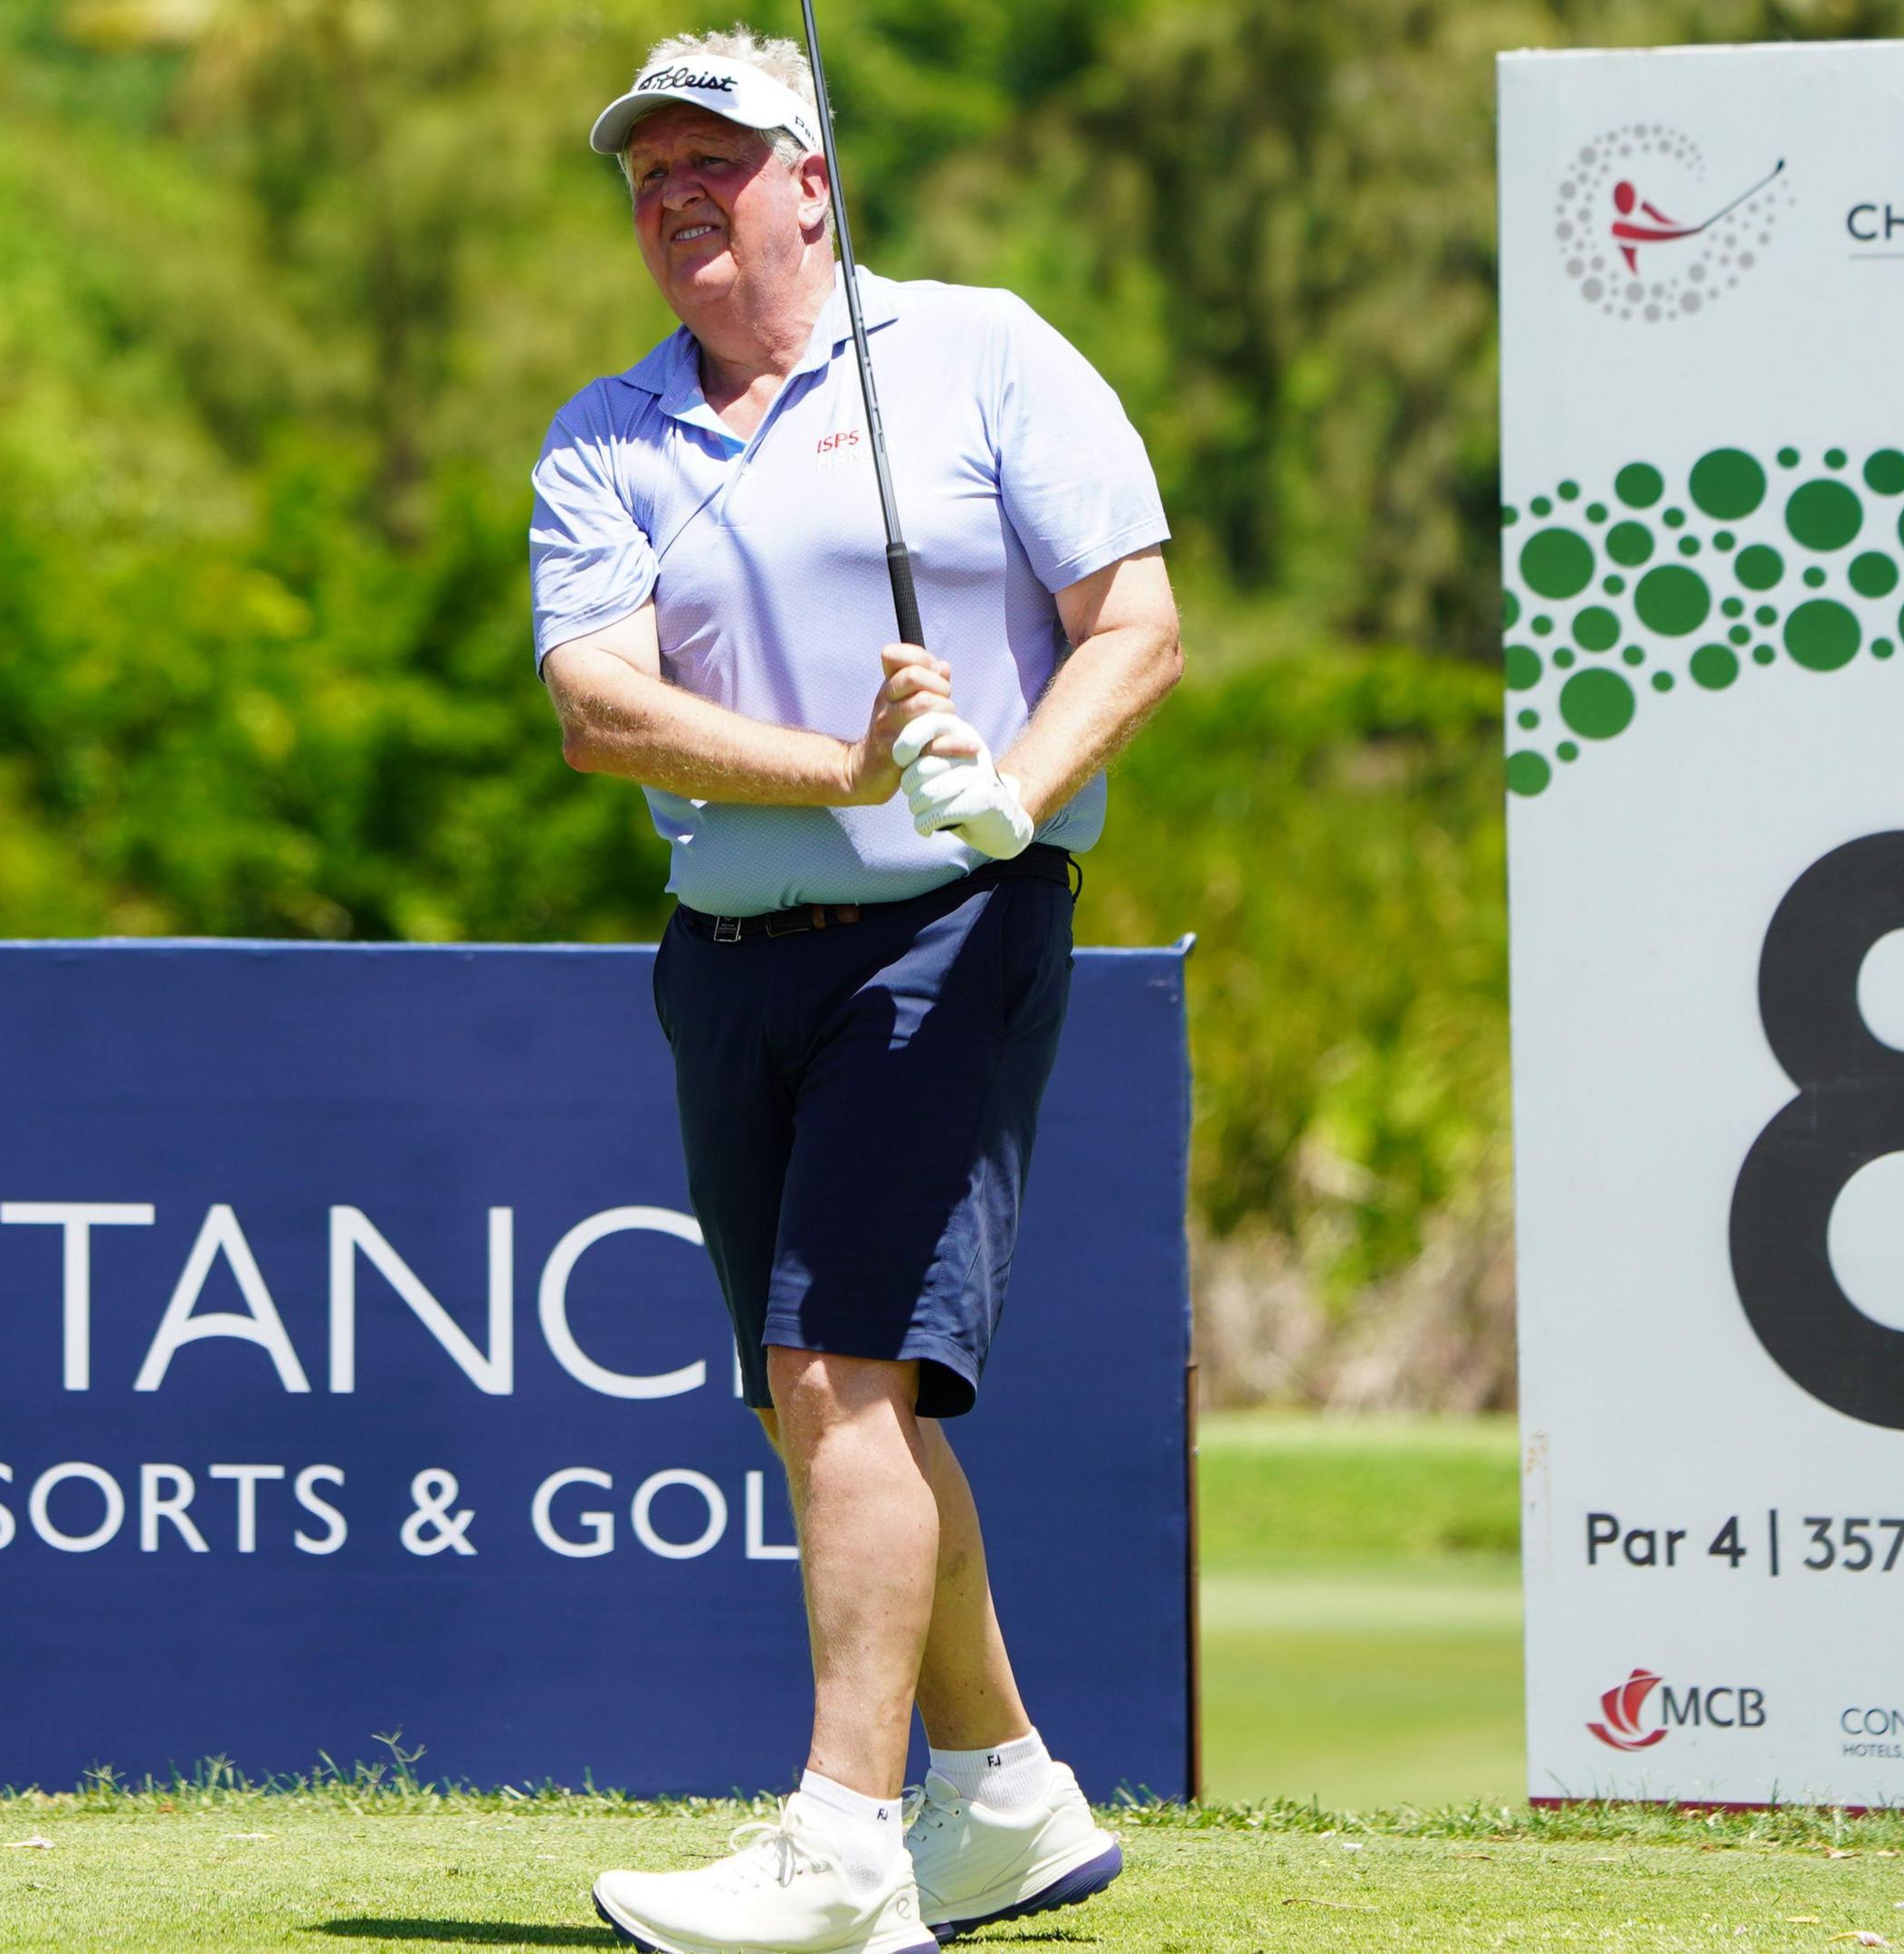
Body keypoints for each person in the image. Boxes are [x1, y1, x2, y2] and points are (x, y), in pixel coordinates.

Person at [528, 28, 1185, 1954]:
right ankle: (1005, 1796)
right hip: (729, 958)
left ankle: (841, 1848)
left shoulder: (982, 352)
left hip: (946, 933)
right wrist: (840, 767)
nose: (675, 195)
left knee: (840, 1376)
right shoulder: (610, 428)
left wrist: (1005, 785)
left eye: (714, 158)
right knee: (827, 1404)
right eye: (647, 173)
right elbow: (596, 700)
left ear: (813, 179)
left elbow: (1132, 624)